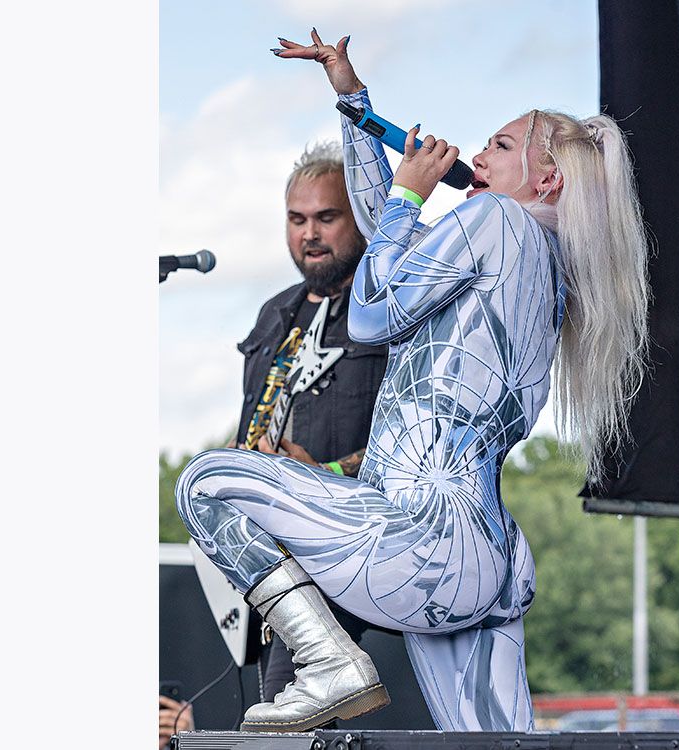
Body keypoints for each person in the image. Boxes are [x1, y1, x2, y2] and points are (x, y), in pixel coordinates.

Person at [175, 29, 650, 733]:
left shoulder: (494, 218)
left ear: (546, 179)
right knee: (493, 740)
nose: (478, 156)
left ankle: (331, 666)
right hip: (484, 551)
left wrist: (407, 193)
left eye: (499, 146)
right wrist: (355, 106)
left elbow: (370, 311)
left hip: (418, 535)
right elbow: (386, 238)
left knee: (207, 485)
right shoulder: (542, 266)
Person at [159, 141, 388, 746]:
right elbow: (249, 428)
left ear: (360, 217)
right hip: (273, 555)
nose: (309, 234)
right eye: (297, 219)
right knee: (274, 707)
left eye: (327, 217)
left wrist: (328, 472)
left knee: (290, 709)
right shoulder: (272, 314)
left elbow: (413, 441)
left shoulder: (387, 306)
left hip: (354, 541)